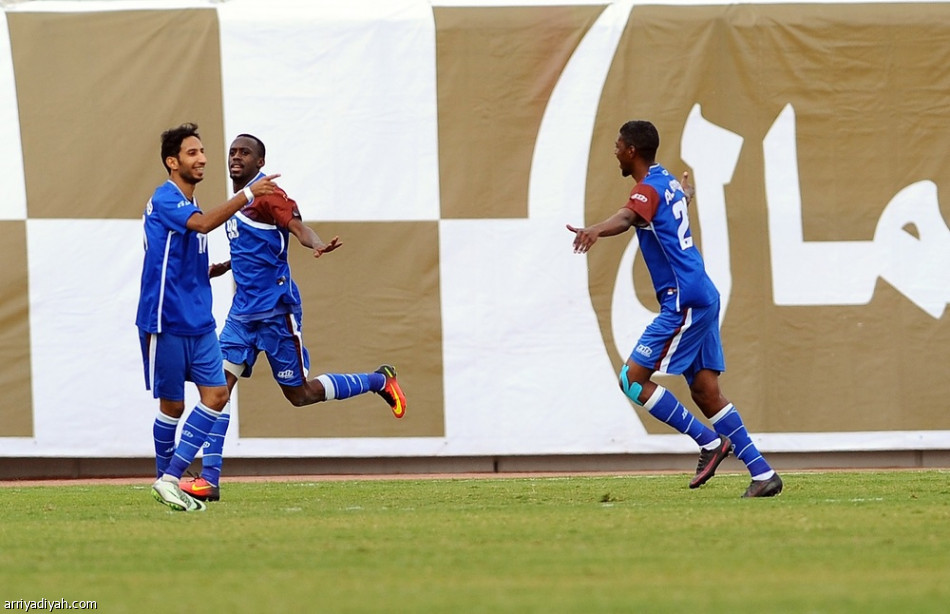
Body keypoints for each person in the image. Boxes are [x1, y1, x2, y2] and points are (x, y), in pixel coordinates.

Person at [179, 133, 407, 502]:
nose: (236, 158)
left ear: (260, 162)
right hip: (242, 315)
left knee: (300, 395)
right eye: (233, 152)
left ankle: (379, 381)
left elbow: (297, 226)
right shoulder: (239, 202)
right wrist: (222, 267)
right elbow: (252, 249)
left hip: (276, 312)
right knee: (217, 392)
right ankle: (209, 479)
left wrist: (315, 243)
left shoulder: (269, 196)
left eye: (245, 153)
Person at [566, 120, 782, 498]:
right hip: (702, 294)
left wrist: (596, 229)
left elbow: (628, 217)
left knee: (632, 381)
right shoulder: (666, 182)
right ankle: (763, 474)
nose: (614, 151)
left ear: (632, 151)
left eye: (618, 145)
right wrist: (685, 195)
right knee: (705, 390)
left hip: (683, 301)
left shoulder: (646, 190)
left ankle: (709, 442)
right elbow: (666, 205)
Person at [136, 123, 279, 512]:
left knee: (216, 396)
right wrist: (249, 193)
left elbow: (179, 252)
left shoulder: (189, 205)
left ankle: (169, 480)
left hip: (198, 319)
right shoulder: (167, 199)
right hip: (165, 319)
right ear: (172, 161)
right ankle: (168, 479)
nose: (202, 159)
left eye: (202, 152)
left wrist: (213, 269)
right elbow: (201, 225)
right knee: (173, 407)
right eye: (192, 153)